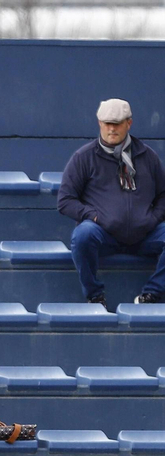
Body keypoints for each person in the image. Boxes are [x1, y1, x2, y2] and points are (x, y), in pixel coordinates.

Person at [57, 98, 165, 308]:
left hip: (145, 233)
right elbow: (65, 200)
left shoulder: (147, 156)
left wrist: (153, 219)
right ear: (100, 123)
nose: (112, 129)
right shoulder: (84, 157)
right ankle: (95, 295)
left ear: (129, 123)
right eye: (107, 123)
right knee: (83, 235)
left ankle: (152, 294)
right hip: (104, 233)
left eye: (117, 123)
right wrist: (94, 216)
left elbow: (163, 195)